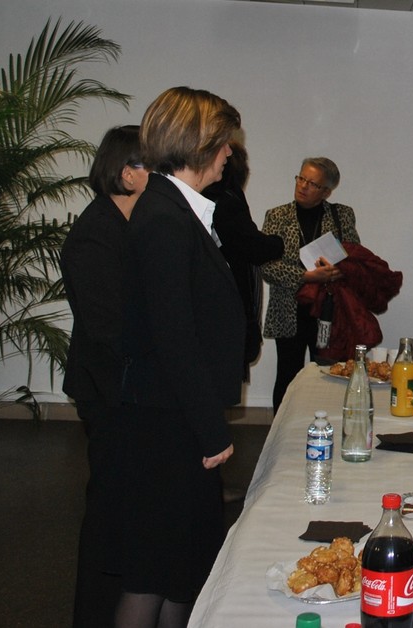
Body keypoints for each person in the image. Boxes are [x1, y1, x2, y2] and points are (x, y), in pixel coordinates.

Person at [119, 86, 245, 627]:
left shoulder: (176, 210)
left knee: (180, 570)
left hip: (175, 419)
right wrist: (211, 431)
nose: (230, 155)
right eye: (225, 144)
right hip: (169, 424)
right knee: (156, 571)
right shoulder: (166, 217)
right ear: (199, 142)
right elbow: (174, 337)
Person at [62, 125, 149, 627]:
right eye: (151, 168)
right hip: (106, 389)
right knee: (108, 510)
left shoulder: (125, 224)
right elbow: (107, 328)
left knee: (121, 507)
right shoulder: (96, 233)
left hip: (120, 386)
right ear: (126, 173)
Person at [261, 156, 361, 410]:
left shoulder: (342, 215)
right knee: (287, 377)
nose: (302, 186)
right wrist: (304, 277)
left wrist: (335, 271)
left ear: (326, 191)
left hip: (328, 312)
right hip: (290, 310)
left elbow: (355, 259)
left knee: (330, 378)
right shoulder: (277, 216)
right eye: (300, 178)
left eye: (312, 183)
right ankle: (280, 436)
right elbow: (267, 266)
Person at [202, 140, 283, 380]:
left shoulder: (204, 198)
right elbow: (253, 246)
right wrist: (278, 242)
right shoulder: (227, 201)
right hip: (231, 293)